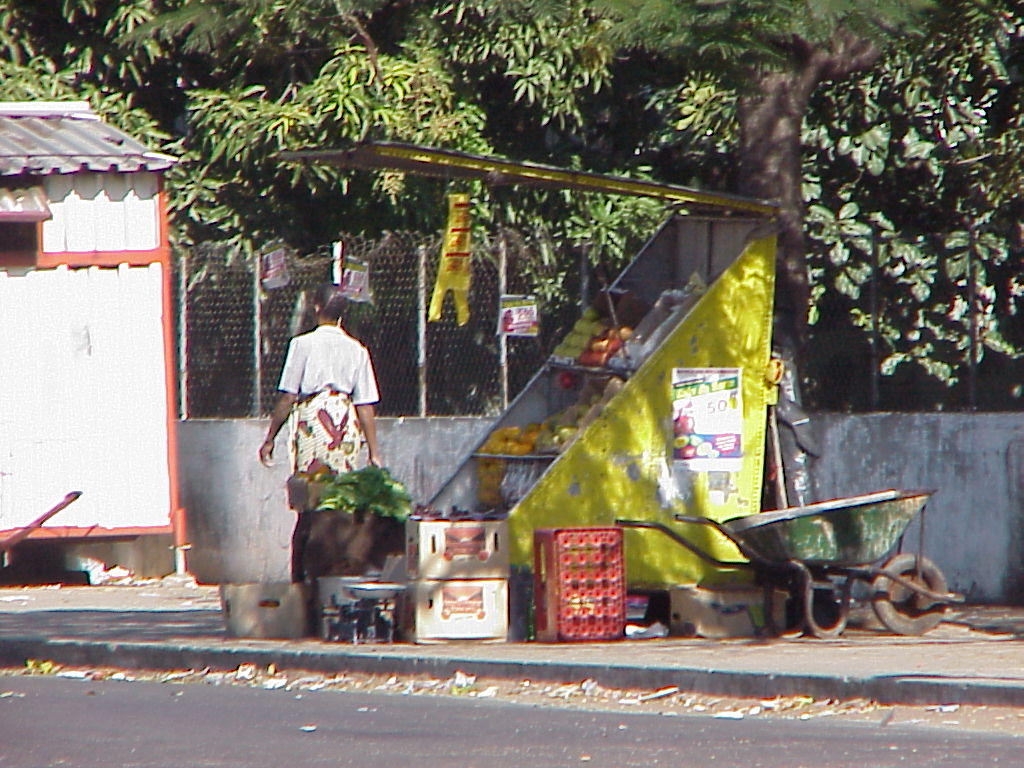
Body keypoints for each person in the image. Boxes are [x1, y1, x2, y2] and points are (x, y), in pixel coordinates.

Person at [259, 283, 383, 584]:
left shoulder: (302, 345)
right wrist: (375, 452)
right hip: (344, 424)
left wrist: (271, 437)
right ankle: (340, 574)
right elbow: (365, 404)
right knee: (341, 501)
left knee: (308, 503)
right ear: (343, 314)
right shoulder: (357, 349)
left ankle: (301, 578)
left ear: (316, 307)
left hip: (314, 421)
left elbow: (288, 396)